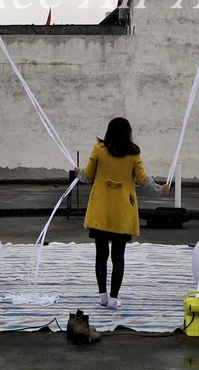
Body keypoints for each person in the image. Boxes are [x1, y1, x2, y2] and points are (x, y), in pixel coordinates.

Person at [75, 117, 170, 309]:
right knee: (118, 257)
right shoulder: (133, 154)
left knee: (101, 254)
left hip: (100, 210)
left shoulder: (99, 149)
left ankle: (102, 295)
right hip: (123, 211)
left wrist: (78, 173)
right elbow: (144, 182)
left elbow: (87, 176)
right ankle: (114, 298)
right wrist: (161, 190)